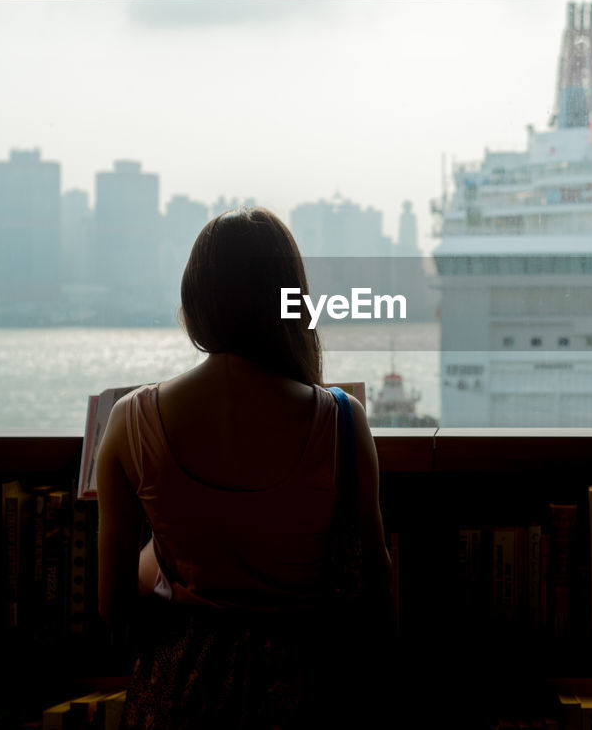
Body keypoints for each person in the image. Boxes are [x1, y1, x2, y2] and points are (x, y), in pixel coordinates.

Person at [95, 206, 393, 729]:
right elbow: (374, 587)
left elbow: (114, 608)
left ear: (194, 300)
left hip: (179, 696)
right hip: (308, 694)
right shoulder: (342, 422)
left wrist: (165, 557)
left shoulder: (131, 421)